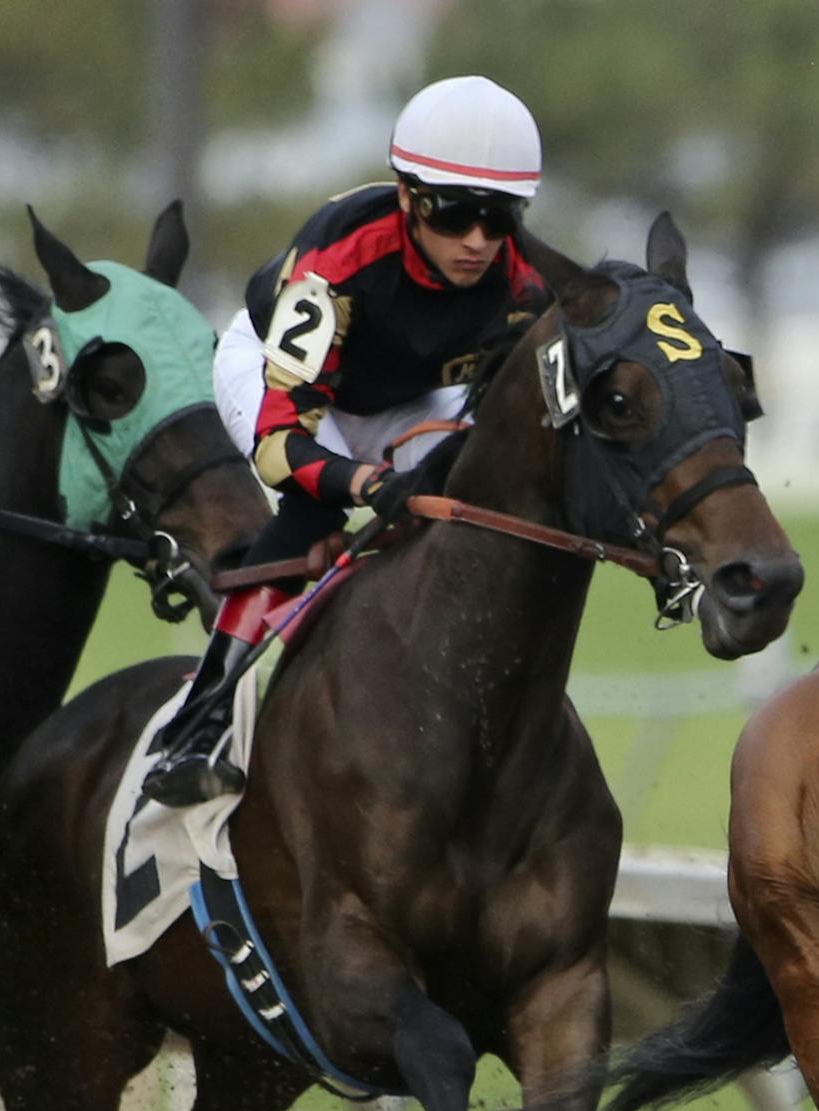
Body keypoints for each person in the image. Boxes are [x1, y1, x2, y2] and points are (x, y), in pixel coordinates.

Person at [140, 75, 549, 807]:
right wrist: (362, 483)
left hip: (403, 394)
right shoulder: (338, 262)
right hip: (280, 378)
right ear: (408, 197)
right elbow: (277, 446)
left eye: (500, 218)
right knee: (311, 513)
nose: (479, 241)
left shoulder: (524, 285)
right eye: (456, 215)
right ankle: (197, 725)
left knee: (461, 503)